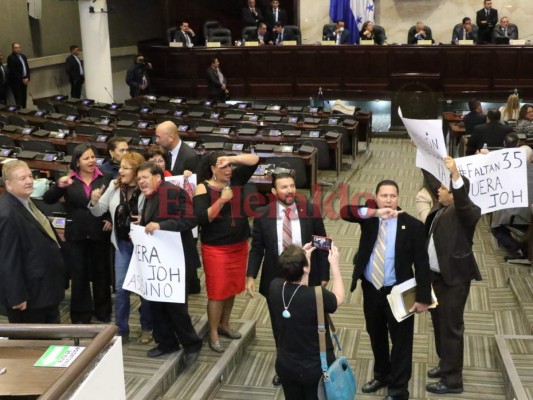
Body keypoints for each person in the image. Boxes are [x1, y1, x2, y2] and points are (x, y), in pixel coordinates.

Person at [340, 180, 432, 400]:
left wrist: (423, 298)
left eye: (392, 196)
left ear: (399, 198)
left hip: (399, 292)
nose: (388, 200)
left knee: (401, 342)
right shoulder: (370, 219)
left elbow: (422, 263)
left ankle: (399, 390)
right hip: (372, 289)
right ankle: (382, 375)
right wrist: (374, 212)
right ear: (376, 197)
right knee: (376, 335)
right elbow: (345, 212)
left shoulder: (412, 225)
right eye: (384, 196)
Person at [247, 169, 330, 386]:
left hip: (306, 278)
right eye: (284, 187)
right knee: (280, 326)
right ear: (274, 191)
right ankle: (285, 367)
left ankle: (315, 365)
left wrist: (324, 274)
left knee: (309, 324)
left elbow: (322, 243)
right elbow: (257, 248)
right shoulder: (263, 214)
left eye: (292, 186)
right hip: (275, 282)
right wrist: (250, 276)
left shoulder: (310, 210)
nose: (290, 190)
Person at [425, 156, 482, 395]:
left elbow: (463, 200)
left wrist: (456, 176)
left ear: (457, 193)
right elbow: (432, 183)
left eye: (445, 188)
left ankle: (452, 380)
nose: (439, 190)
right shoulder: (442, 207)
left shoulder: (468, 211)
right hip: (437, 278)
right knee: (439, 325)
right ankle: (445, 364)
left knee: (451, 328)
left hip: (454, 281)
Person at [193, 151, 259, 353]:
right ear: (212, 169)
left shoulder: (236, 179)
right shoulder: (202, 187)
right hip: (216, 248)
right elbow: (202, 218)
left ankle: (225, 324)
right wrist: (221, 200)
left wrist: (232, 159)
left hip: (238, 245)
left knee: (232, 288)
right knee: (217, 292)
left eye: (230, 166)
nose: (229, 170)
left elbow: (255, 160)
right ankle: (213, 331)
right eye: (223, 167)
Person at [137, 162, 202, 366]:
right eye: (138, 179)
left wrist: (160, 225)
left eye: (144, 177)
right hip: (158, 263)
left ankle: (192, 345)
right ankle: (166, 343)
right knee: (156, 305)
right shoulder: (149, 197)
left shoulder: (173, 192)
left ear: (158, 177)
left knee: (176, 308)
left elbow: (190, 220)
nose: (141, 182)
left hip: (177, 261)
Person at [43, 144, 113, 324]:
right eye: (86, 158)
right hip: (76, 233)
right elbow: (48, 199)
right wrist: (59, 186)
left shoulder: (106, 177)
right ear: (77, 162)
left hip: (100, 232)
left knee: (101, 274)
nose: (91, 161)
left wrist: (110, 219)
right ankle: (81, 315)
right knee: (79, 275)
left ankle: (103, 311)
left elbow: (113, 203)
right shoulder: (68, 179)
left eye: (93, 157)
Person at [89, 152, 153, 344]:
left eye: (126, 168)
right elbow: (99, 210)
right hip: (122, 245)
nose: (121, 171)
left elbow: (158, 214)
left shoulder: (148, 189)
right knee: (120, 288)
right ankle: (121, 329)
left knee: (145, 289)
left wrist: (146, 220)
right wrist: (94, 200)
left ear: (136, 170)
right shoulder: (114, 186)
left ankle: (147, 328)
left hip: (143, 247)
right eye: (121, 167)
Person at [267, 244, 344, 399]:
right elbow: (339, 298)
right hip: (315, 368)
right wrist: (335, 265)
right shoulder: (317, 295)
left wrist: (303, 262)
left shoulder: (274, 287)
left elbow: (298, 288)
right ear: (305, 269)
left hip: (286, 365)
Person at [0, 160, 65, 323]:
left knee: (51, 341)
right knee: (32, 345)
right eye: (22, 178)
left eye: (30, 176)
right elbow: (8, 260)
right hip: (29, 298)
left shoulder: (27, 202)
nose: (30, 181)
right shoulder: (7, 213)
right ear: (8, 184)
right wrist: (17, 296)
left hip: (44, 290)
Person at [155, 120, 201, 294]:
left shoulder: (190, 156)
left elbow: (197, 187)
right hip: (167, 212)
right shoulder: (165, 153)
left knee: (186, 254)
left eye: (159, 137)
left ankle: (190, 286)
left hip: (184, 213)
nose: (157, 140)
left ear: (170, 137)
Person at [489, 139, 532, 262]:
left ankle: (516, 250)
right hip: (530, 217)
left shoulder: (510, 173)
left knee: (496, 227)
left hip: (519, 218)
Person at [7, 42, 30, 108]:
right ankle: (20, 113)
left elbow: (27, 68)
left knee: (24, 98)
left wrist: (28, 77)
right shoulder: (11, 58)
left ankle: (25, 110)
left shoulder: (23, 56)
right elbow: (13, 72)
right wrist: (22, 79)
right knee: (18, 99)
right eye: (16, 48)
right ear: (12, 49)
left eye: (19, 48)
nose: (18, 49)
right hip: (17, 82)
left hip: (25, 80)